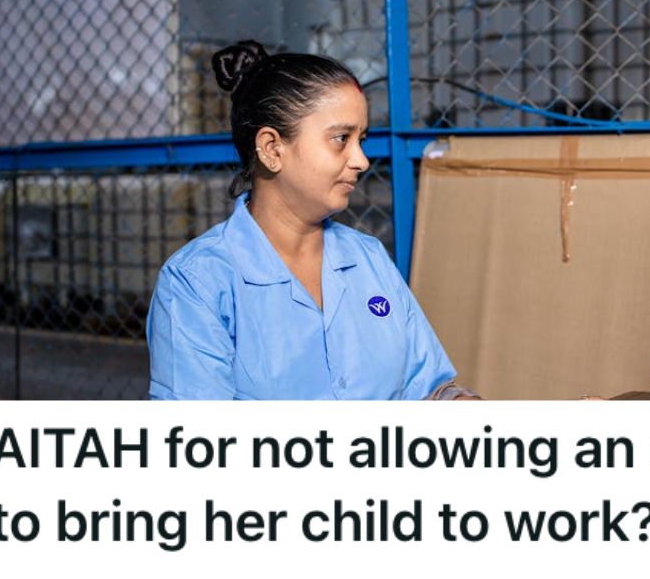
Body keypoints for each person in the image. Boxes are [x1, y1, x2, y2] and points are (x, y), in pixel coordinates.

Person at [147, 40, 476, 401]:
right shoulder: (197, 283)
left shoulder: (368, 258)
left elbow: (427, 387)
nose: (362, 160)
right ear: (272, 149)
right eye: (341, 139)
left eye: (361, 140)